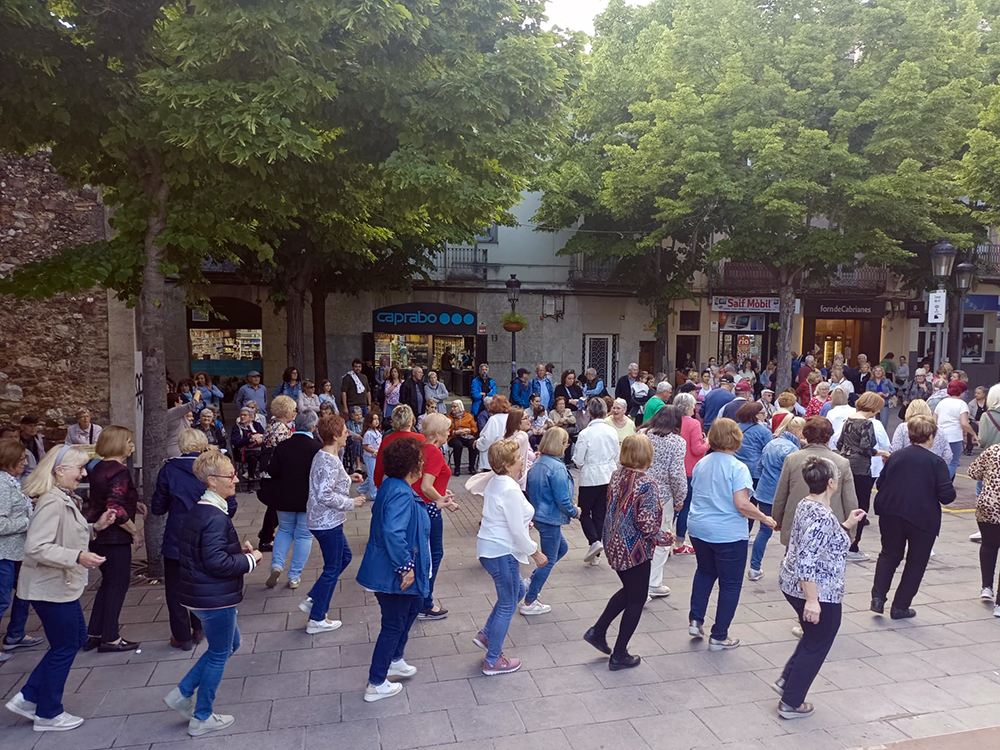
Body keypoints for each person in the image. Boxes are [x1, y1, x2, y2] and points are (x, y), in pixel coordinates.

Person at [5, 446, 116, 731]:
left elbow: (65, 534)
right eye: (79, 469)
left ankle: (29, 697)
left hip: (58, 586)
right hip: (49, 587)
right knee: (65, 645)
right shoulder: (52, 502)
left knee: (74, 639)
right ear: (59, 471)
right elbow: (37, 547)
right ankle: (48, 713)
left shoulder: (61, 497)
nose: (83, 474)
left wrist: (95, 527)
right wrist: (78, 557)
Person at [162, 451, 261, 736]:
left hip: (203, 593)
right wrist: (250, 559)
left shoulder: (202, 509)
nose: (236, 479)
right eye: (231, 475)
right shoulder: (214, 516)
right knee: (220, 652)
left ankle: (182, 693)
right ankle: (202, 716)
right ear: (212, 481)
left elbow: (205, 552)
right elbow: (217, 563)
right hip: (214, 597)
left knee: (230, 644)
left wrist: (236, 550)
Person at [775, 456, 868, 720]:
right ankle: (791, 702)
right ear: (831, 483)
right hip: (819, 590)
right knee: (818, 641)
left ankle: (787, 680)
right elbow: (808, 558)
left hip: (793, 583)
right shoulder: (822, 516)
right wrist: (812, 601)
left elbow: (819, 541)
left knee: (812, 636)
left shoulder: (807, 504)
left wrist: (846, 524)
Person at [687, 419, 777, 651]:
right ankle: (719, 635)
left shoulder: (702, 463)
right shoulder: (738, 468)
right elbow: (742, 504)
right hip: (727, 532)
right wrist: (764, 518)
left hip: (699, 527)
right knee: (730, 584)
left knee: (705, 572)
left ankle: (696, 619)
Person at [584, 434, 672, 669]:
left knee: (630, 590)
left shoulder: (617, 475)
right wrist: (665, 538)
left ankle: (598, 631)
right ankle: (619, 653)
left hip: (613, 542)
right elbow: (647, 525)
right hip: (634, 549)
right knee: (637, 598)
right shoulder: (646, 483)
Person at [357, 438, 430, 701]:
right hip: (392, 573)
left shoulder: (393, 485)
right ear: (411, 465)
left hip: (389, 569)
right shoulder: (400, 491)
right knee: (393, 623)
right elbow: (393, 531)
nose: (423, 463)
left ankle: (395, 659)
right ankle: (376, 682)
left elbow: (404, 520)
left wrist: (435, 506)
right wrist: (405, 568)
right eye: (420, 460)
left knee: (413, 605)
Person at [152, 429, 235, 652]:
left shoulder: (169, 470)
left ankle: (182, 636)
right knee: (201, 584)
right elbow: (231, 504)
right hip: (207, 535)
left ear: (181, 446)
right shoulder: (213, 469)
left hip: (177, 537)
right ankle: (200, 628)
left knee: (175, 589)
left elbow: (158, 507)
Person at [871, 416, 956, 619]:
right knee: (916, 561)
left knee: (889, 555)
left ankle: (878, 598)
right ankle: (900, 606)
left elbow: (880, 484)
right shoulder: (936, 462)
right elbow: (947, 496)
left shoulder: (896, 456)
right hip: (922, 516)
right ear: (931, 436)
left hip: (891, 512)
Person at [474, 440, 547, 675]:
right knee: (508, 602)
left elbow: (506, 517)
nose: (522, 459)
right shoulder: (510, 489)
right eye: (518, 457)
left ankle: (487, 634)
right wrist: (535, 552)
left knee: (517, 591)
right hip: (501, 551)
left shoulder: (498, 482)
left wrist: (525, 522)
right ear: (507, 465)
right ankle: (493, 660)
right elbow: (515, 530)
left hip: (491, 549)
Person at [302, 414, 365, 634]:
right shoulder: (328, 459)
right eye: (345, 430)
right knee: (333, 567)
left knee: (344, 558)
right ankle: (317, 617)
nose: (348, 433)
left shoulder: (326, 455)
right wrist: (351, 502)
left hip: (324, 521)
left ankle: (315, 597)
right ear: (336, 435)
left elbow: (327, 482)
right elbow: (325, 494)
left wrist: (348, 477)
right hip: (326, 523)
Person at [83, 426, 144, 653]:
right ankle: (110, 638)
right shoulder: (119, 471)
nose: (131, 445)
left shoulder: (98, 467)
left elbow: (105, 497)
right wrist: (134, 531)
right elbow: (114, 507)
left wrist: (134, 503)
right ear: (117, 443)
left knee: (108, 584)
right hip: (114, 537)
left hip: (99, 535)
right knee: (117, 585)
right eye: (128, 441)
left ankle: (95, 633)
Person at [260, 411, 321, 589]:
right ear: (312, 427)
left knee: (284, 531)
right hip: (306, 500)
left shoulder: (283, 445)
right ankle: (294, 575)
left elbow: (272, 470)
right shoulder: (317, 448)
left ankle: (277, 565)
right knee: (303, 536)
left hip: (284, 498)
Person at [523, 428, 578, 615]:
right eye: (565, 443)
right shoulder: (557, 467)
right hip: (550, 518)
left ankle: (532, 581)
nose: (567, 446)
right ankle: (530, 600)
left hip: (540, 514)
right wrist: (575, 512)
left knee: (562, 548)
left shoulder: (539, 462)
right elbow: (563, 500)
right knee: (548, 559)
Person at [0, 440, 44, 662]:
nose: (26, 462)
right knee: (2, 600)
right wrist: (29, 522)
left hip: (17, 551)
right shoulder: (2, 484)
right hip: (4, 554)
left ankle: (15, 634)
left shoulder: (12, 481)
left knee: (26, 591)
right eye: (21, 459)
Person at [414, 413, 461, 620]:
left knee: (426, 555)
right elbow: (426, 486)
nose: (449, 433)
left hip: (422, 507)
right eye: (446, 430)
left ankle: (421, 599)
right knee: (434, 555)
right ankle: (425, 602)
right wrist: (444, 501)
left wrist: (442, 492)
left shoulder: (423, 448)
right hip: (430, 509)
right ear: (437, 433)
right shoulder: (434, 451)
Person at [834, 392, 890, 561]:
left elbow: (839, 443)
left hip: (844, 464)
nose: (877, 412)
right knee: (861, 506)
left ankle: (840, 541)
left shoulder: (848, 420)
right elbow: (866, 448)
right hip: (861, 468)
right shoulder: (866, 423)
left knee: (844, 503)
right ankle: (853, 545)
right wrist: (881, 452)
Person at [748, 417, 805, 581]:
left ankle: (754, 567)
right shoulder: (793, 449)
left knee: (764, 531)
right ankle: (787, 568)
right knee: (791, 532)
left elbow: (759, 468)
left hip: (765, 493)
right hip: (782, 495)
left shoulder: (771, 444)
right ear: (798, 431)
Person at [641, 406, 688, 596]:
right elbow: (676, 473)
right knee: (662, 536)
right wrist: (680, 497)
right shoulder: (677, 442)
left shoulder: (643, 435)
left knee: (642, 536)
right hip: (663, 495)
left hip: (640, 490)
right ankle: (653, 582)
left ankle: (640, 579)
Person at [573, 399, 621, 566]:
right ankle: (596, 553)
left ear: (589, 412)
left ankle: (594, 541)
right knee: (600, 513)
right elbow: (616, 455)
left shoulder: (585, 433)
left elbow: (578, 459)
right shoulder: (612, 431)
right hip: (608, 476)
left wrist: (583, 464)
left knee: (583, 512)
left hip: (590, 477)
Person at [256, 394, 297, 551]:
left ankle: (266, 532)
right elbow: (286, 450)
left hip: (270, 470)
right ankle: (265, 538)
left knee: (275, 505)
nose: (295, 412)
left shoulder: (273, 424)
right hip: (276, 471)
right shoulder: (280, 428)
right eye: (293, 410)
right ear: (285, 411)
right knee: (275, 506)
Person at [673, 392, 708, 556]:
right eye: (693, 405)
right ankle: (679, 542)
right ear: (688, 407)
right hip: (689, 469)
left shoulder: (672, 421)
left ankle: (664, 538)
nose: (695, 408)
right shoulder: (694, 423)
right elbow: (696, 449)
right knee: (685, 506)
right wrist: (707, 443)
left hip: (674, 467)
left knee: (672, 507)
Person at [968, 442, 1000, 610]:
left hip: (988, 506)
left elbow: (973, 471)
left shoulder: (993, 450)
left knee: (988, 544)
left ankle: (987, 586)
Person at [373, 404, 426, 486]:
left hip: (393, 483)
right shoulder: (420, 439)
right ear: (411, 420)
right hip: (417, 483)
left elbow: (380, 466)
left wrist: (378, 484)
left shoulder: (388, 439)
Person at [935, 380, 978, 479]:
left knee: (941, 462)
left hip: (940, 435)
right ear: (961, 392)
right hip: (954, 436)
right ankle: (945, 482)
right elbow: (964, 423)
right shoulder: (961, 404)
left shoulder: (941, 403)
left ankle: (938, 482)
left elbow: (934, 421)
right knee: (953, 462)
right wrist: (973, 434)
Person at [734, 402, 772, 494]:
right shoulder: (764, 431)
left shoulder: (735, 428)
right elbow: (770, 450)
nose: (764, 416)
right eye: (762, 413)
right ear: (756, 415)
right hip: (754, 470)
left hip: (735, 466)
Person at [475, 395, 512, 473]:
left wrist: (478, 443)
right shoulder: (510, 418)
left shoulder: (493, 419)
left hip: (492, 458)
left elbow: (488, 439)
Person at [504, 408, 535, 491]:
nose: (529, 420)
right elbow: (510, 449)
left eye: (528, 417)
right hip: (518, 479)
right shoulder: (522, 435)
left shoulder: (509, 436)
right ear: (517, 422)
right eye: (525, 418)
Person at [230, 407, 264, 478]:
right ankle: (251, 478)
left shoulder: (257, 425)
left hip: (258, 449)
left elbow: (264, 435)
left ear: (251, 417)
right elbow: (236, 442)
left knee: (266, 455)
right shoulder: (236, 428)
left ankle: (264, 474)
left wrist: (260, 437)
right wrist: (250, 439)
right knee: (253, 457)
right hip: (243, 451)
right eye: (241, 415)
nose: (242, 417)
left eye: (245, 415)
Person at [446, 400, 478, 476]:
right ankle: (457, 467)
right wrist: (455, 432)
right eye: (452, 407)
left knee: (473, 444)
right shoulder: (449, 417)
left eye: (455, 407)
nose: (453, 409)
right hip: (454, 436)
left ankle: (471, 467)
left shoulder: (468, 416)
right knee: (458, 445)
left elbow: (475, 428)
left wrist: (469, 430)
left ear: (460, 407)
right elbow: (446, 429)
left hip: (467, 436)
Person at [167, 390, 201, 458]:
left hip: (183, 447)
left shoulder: (175, 414)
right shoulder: (173, 411)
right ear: (175, 403)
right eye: (180, 400)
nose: (182, 401)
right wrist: (198, 392)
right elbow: (193, 403)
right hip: (176, 448)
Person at [358, 411, 383, 500]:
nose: (376, 421)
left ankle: (362, 489)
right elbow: (365, 446)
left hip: (376, 455)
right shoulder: (368, 434)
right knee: (372, 475)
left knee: (373, 474)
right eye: (374, 419)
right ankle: (373, 494)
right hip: (370, 457)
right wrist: (374, 451)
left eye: (377, 419)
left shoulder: (377, 432)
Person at [343, 406, 365, 472]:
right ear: (352, 417)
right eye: (357, 415)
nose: (359, 417)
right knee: (357, 442)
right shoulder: (348, 424)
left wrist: (362, 438)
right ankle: (358, 465)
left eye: (360, 414)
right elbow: (346, 434)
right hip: (351, 442)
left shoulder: (364, 422)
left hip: (364, 441)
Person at [968, 386, 987, 456]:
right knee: (972, 427)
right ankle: (969, 448)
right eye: (975, 393)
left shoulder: (988, 403)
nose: (976, 395)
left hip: (987, 422)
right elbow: (969, 415)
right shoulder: (971, 404)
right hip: (975, 421)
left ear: (984, 394)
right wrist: (976, 422)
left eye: (979, 393)